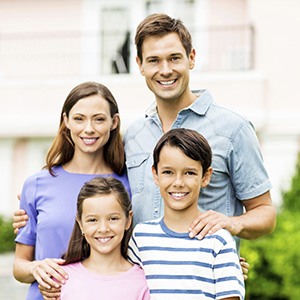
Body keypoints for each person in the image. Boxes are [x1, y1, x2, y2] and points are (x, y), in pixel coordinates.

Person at [123, 13, 276, 249]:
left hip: (205, 279)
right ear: (140, 65)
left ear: (191, 58)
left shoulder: (233, 129)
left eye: (174, 58)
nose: (165, 70)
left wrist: (231, 224)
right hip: (144, 281)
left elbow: (265, 212)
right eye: (154, 60)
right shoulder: (133, 136)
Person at [13, 81, 131, 300]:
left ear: (114, 122)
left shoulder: (128, 184)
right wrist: (36, 269)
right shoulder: (37, 184)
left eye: (99, 119)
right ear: (66, 120)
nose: (89, 129)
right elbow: (20, 266)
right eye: (79, 119)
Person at [127, 128, 245, 299]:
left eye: (189, 173)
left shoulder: (219, 240)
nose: (178, 183)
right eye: (168, 172)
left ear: (205, 176)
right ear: (155, 174)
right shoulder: (141, 236)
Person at [50, 176, 149, 299]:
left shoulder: (143, 282)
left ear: (128, 220)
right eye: (92, 220)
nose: (103, 229)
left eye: (113, 219)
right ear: (80, 224)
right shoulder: (61, 278)